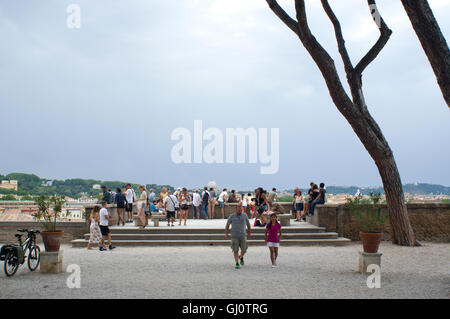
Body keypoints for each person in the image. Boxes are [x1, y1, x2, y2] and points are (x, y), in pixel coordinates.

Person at [225, 204, 251, 269]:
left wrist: (249, 232)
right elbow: (227, 225)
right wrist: (226, 233)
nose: (240, 210)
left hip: (243, 235)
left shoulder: (245, 215)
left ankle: (241, 256)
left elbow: (248, 224)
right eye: (238, 209)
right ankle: (237, 263)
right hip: (234, 236)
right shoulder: (232, 216)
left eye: (241, 209)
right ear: (236, 209)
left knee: (244, 249)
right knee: (235, 250)